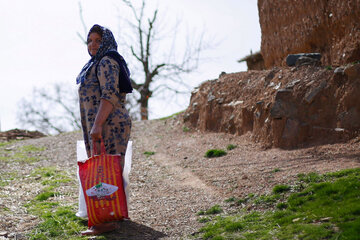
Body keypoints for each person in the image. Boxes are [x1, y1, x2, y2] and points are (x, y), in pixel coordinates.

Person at [76, 24, 132, 235]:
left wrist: (97, 125)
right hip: (102, 124)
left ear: (106, 42)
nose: (92, 44)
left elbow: (109, 94)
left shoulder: (107, 61)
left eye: (98, 40)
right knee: (105, 170)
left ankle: (105, 221)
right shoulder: (96, 63)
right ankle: (109, 216)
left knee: (104, 171)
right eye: (89, 40)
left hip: (109, 124)